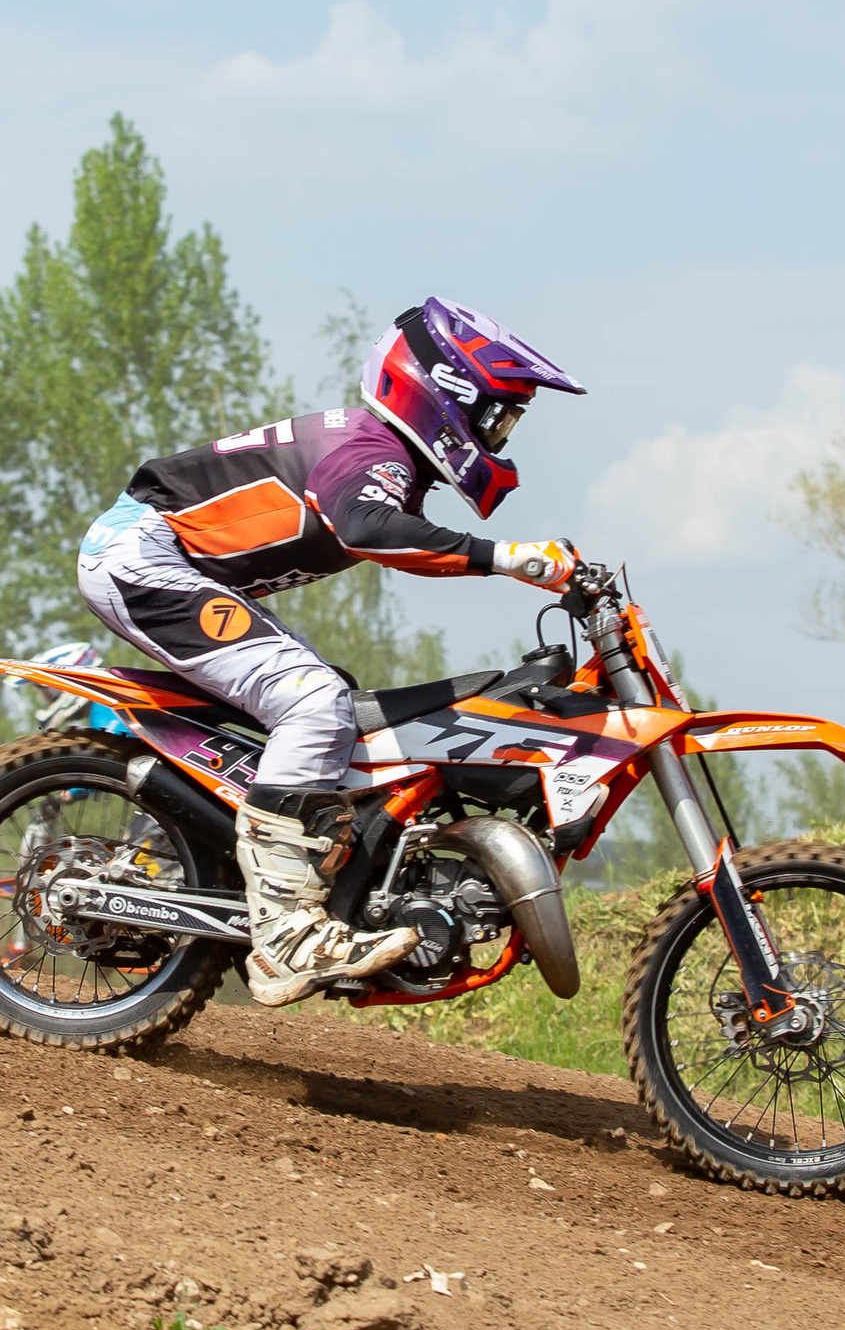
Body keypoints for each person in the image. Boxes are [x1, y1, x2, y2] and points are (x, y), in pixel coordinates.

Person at [73, 298, 588, 1008]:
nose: (499, 438)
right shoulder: (370, 451)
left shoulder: (379, 449)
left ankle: (262, 870)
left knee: (335, 704)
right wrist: (508, 558)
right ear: (448, 399)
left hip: (168, 560)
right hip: (144, 557)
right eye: (496, 417)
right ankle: (285, 936)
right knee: (313, 702)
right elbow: (367, 525)